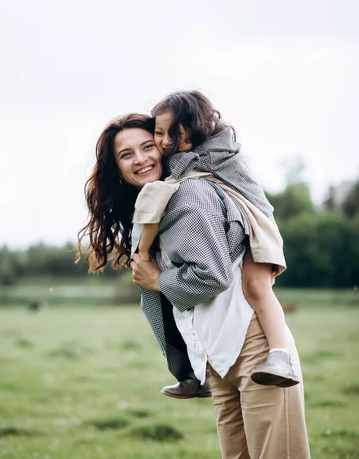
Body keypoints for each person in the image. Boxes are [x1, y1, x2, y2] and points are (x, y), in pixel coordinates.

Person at [77, 111, 311, 459]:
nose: (140, 158)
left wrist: (158, 280)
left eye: (147, 146)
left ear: (164, 145)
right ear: (117, 169)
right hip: (218, 358)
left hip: (253, 349)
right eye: (127, 154)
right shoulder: (158, 204)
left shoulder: (189, 194)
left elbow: (211, 275)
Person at [134, 90, 299, 392]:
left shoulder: (216, 150)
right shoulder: (186, 159)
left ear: (197, 128)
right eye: (159, 133)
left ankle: (280, 355)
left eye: (177, 133)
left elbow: (168, 186)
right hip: (234, 218)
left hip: (256, 222)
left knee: (256, 286)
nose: (167, 141)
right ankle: (197, 373)